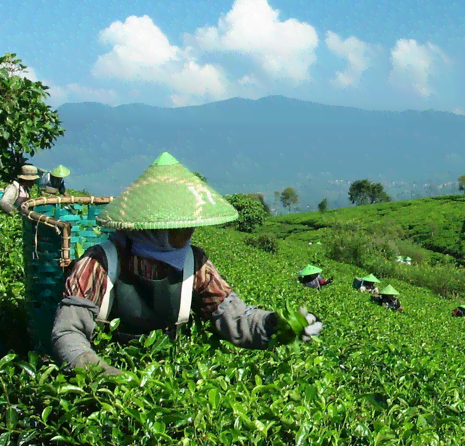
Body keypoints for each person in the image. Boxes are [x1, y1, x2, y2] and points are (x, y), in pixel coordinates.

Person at [50, 152, 324, 377]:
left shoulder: (195, 264)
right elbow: (68, 332)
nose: (190, 229)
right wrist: (106, 376)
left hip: (165, 380)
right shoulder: (100, 262)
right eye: (182, 223)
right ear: (156, 226)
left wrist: (280, 325)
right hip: (104, 386)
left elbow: (236, 318)